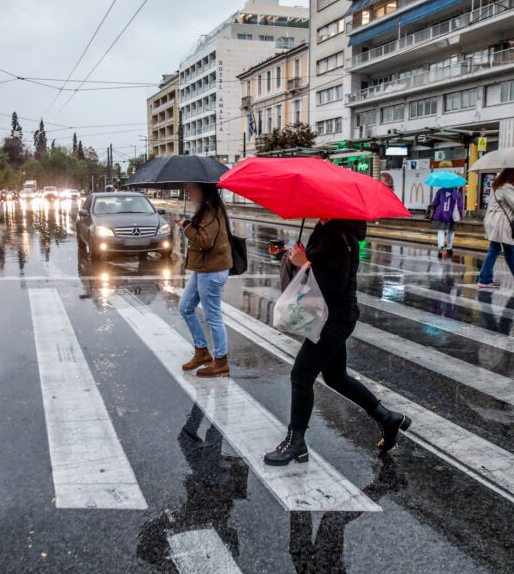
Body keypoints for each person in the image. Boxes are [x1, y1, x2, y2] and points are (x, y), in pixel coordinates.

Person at [264, 219, 411, 466]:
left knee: (301, 376)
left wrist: (304, 264)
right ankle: (388, 419)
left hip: (333, 320)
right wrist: (296, 258)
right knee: (335, 377)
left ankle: (296, 442)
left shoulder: (337, 237)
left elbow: (333, 286)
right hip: (334, 317)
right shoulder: (328, 230)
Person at [177, 182, 232, 378]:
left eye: (192, 189)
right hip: (203, 268)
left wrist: (186, 226)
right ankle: (201, 351)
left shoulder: (212, 210)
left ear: (203, 190)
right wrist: (189, 224)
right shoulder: (205, 209)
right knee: (185, 307)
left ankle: (221, 361)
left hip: (212, 270)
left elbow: (204, 241)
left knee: (213, 316)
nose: (189, 192)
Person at [477, 168, 514, 290]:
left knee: (508, 250)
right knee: (496, 250)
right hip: (502, 222)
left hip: (494, 220)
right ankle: (484, 279)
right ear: (513, 176)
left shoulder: (496, 186)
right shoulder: (507, 188)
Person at [431, 186, 463, 259]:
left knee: (441, 231)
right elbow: (460, 205)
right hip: (452, 216)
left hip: (441, 214)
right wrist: (460, 215)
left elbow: (435, 203)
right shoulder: (456, 192)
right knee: (451, 231)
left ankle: (441, 246)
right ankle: (449, 248)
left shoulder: (440, 191)